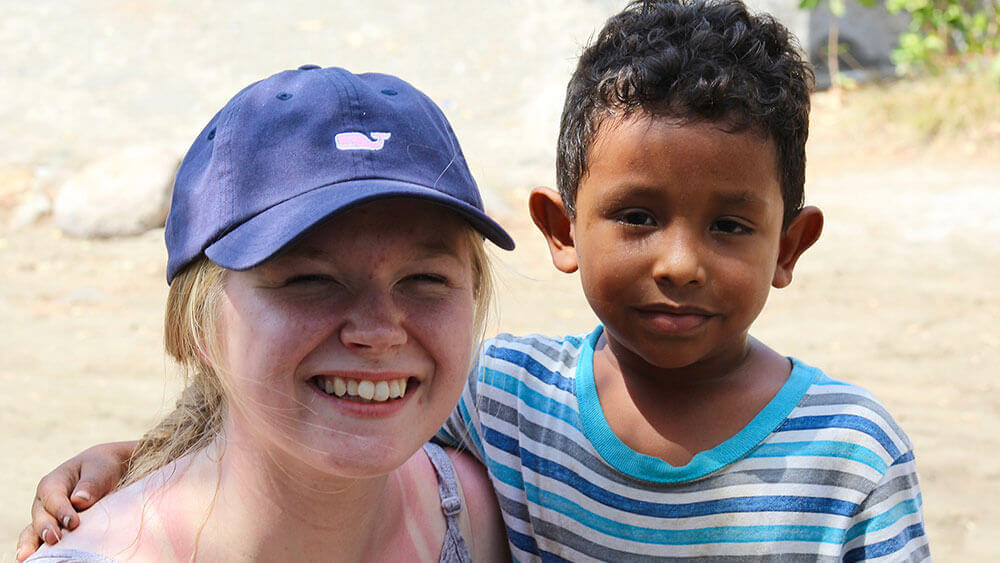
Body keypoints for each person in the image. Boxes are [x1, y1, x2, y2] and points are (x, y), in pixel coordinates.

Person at [19, 0, 932, 560]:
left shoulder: (848, 454)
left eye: (730, 224)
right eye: (638, 216)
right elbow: (266, 414)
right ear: (560, 229)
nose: (680, 260)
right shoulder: (510, 401)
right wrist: (131, 463)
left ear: (791, 244)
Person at [17, 64, 511, 562]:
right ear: (198, 325)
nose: (380, 332)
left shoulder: (492, 508)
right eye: (310, 281)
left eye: (425, 280)